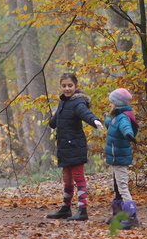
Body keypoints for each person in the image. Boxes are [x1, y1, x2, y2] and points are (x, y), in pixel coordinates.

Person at [46, 72, 104, 221]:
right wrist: (52, 122)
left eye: (70, 85)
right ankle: (66, 208)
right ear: (60, 87)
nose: (67, 88)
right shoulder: (63, 101)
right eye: (64, 86)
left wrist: (95, 121)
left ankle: (82, 209)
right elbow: (59, 116)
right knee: (67, 178)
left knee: (78, 177)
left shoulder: (78, 102)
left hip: (75, 145)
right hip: (64, 146)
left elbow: (85, 113)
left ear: (76, 86)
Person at [104, 88, 139, 230]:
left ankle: (132, 217)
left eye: (111, 102)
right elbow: (111, 125)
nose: (110, 104)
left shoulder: (123, 117)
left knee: (123, 187)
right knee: (117, 187)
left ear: (117, 104)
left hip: (120, 158)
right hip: (115, 158)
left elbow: (126, 128)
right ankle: (118, 214)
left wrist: (129, 135)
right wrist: (106, 118)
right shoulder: (115, 117)